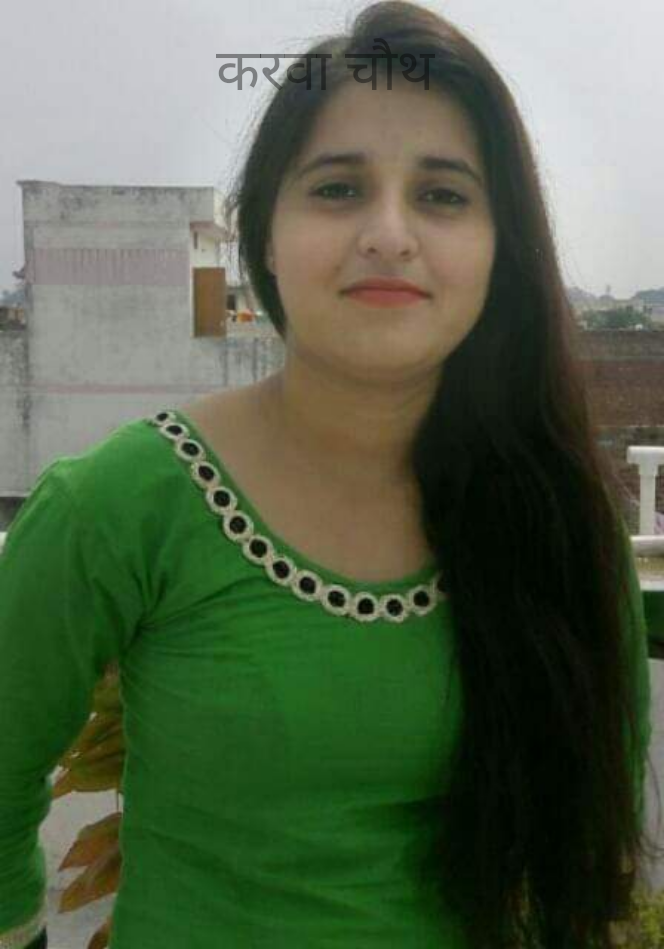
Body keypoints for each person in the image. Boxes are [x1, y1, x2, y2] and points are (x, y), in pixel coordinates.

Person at [0, 3, 659, 947]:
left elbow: (588, 862)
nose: (389, 233)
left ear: (500, 248)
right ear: (264, 235)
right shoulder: (123, 503)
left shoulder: (557, 518)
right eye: (339, 188)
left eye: (443, 195)